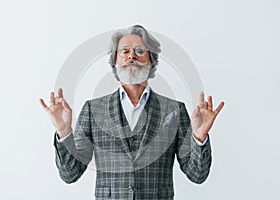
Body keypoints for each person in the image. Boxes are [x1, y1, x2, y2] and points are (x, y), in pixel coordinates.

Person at [39, 25, 224, 200]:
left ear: (151, 61)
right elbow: (70, 174)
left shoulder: (174, 110)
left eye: (139, 51)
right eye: (124, 51)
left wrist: (199, 138)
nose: (131, 57)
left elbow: (197, 175)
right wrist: (64, 133)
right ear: (115, 61)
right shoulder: (93, 110)